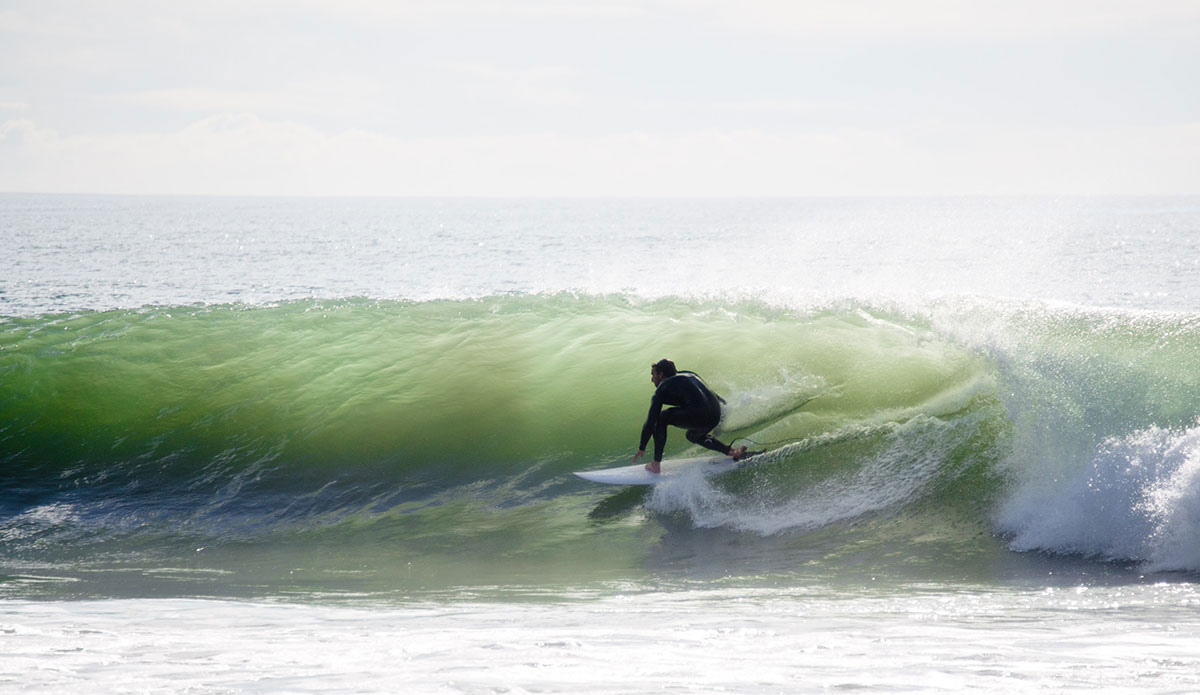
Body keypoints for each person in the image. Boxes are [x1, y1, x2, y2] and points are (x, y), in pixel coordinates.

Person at [634, 358, 747, 474]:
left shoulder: (662, 388)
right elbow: (717, 398)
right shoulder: (691, 375)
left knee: (662, 417)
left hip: (701, 415)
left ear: (661, 374)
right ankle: (732, 452)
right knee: (692, 435)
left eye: (653, 374)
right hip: (716, 413)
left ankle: (656, 464)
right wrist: (719, 425)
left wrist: (642, 447)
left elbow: (651, 421)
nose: (652, 379)